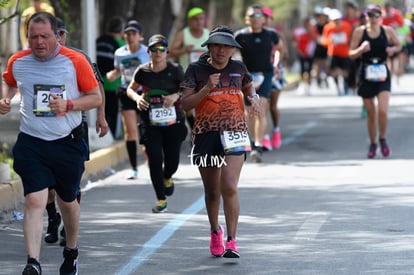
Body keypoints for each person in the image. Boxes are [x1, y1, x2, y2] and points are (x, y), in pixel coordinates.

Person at [0, 12, 102, 275]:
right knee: (34, 199)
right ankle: (32, 263)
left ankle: (71, 251)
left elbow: (95, 98)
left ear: (57, 35)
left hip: (66, 143)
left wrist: (69, 105)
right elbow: (9, 81)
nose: (39, 42)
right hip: (32, 143)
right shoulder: (19, 61)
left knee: (68, 201)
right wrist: (5, 99)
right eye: (33, 37)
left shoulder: (75, 61)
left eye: (44, 36)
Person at [180, 25, 260, 258]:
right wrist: (206, 88)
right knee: (212, 191)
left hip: (235, 132)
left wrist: (253, 97)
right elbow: (185, 105)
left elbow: (248, 84)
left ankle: (232, 240)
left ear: (233, 49)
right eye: (217, 45)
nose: (222, 50)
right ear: (210, 47)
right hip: (206, 133)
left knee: (229, 186)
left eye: (227, 46)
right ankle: (215, 230)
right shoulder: (196, 70)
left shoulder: (238, 68)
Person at [42, 17, 109, 248]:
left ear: (64, 35)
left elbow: (98, 86)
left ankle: (67, 228)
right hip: (43, 127)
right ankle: (52, 218)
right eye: (53, 33)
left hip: (73, 127)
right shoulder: (35, 57)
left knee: (70, 183)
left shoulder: (79, 57)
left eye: (60, 33)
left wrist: (101, 116)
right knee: (47, 184)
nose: (56, 38)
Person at [126, 34, 188, 213]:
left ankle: (167, 176)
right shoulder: (143, 71)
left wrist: (175, 95)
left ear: (167, 51)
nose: (158, 52)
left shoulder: (175, 69)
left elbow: (186, 88)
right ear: (149, 51)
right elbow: (130, 88)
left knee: (172, 161)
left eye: (162, 49)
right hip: (149, 121)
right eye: (154, 49)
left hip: (173, 120)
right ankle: (161, 199)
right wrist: (137, 98)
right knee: (154, 159)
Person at [349, 4, 401, 158]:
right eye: (370, 15)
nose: (373, 18)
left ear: (381, 17)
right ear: (366, 17)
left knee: (383, 111)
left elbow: (399, 45)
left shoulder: (387, 31)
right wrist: (360, 50)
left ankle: (383, 139)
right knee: (371, 114)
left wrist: (392, 50)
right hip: (366, 73)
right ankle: (373, 143)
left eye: (376, 15)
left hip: (382, 73)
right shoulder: (360, 32)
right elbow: (350, 53)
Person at [235, 4, 281, 162]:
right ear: (246, 19)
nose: (255, 19)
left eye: (258, 16)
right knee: (249, 111)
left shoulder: (271, 34)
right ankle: (254, 142)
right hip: (247, 77)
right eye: (251, 16)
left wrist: (276, 64)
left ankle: (259, 144)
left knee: (261, 106)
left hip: (266, 74)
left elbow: (280, 50)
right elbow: (228, 51)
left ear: (263, 19)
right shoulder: (240, 36)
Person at [106, 20, 150, 180]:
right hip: (127, 92)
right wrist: (113, 74)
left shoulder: (147, 52)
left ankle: (151, 159)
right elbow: (119, 70)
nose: (130, 37)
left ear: (140, 37)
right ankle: (133, 168)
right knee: (131, 131)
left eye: (134, 34)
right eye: (128, 34)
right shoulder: (120, 53)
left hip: (145, 93)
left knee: (147, 131)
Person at [169, 7, 209, 131]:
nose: (198, 21)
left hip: (205, 76)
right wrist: (184, 50)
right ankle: (194, 129)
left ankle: (205, 129)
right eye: (195, 19)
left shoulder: (209, 34)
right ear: (189, 21)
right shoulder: (183, 34)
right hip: (187, 76)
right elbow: (171, 52)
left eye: (201, 19)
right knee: (189, 107)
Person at [96, 16, 126, 139]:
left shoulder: (98, 41)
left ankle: (103, 137)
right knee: (113, 114)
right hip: (114, 84)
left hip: (98, 84)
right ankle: (112, 137)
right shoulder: (121, 44)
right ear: (121, 31)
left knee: (102, 111)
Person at [262, 6, 287, 150]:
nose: (264, 20)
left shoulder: (275, 35)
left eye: (266, 17)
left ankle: (276, 129)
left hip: (275, 71)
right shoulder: (253, 34)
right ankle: (264, 137)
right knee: (263, 104)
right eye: (262, 17)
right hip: (260, 72)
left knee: (272, 106)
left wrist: (276, 63)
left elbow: (283, 52)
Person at [321, 8, 353, 96]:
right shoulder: (328, 28)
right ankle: (338, 88)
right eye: (334, 20)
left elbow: (351, 37)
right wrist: (330, 41)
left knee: (345, 72)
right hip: (333, 53)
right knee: (334, 71)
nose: (336, 21)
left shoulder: (347, 26)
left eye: (338, 19)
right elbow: (324, 40)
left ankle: (345, 86)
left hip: (344, 52)